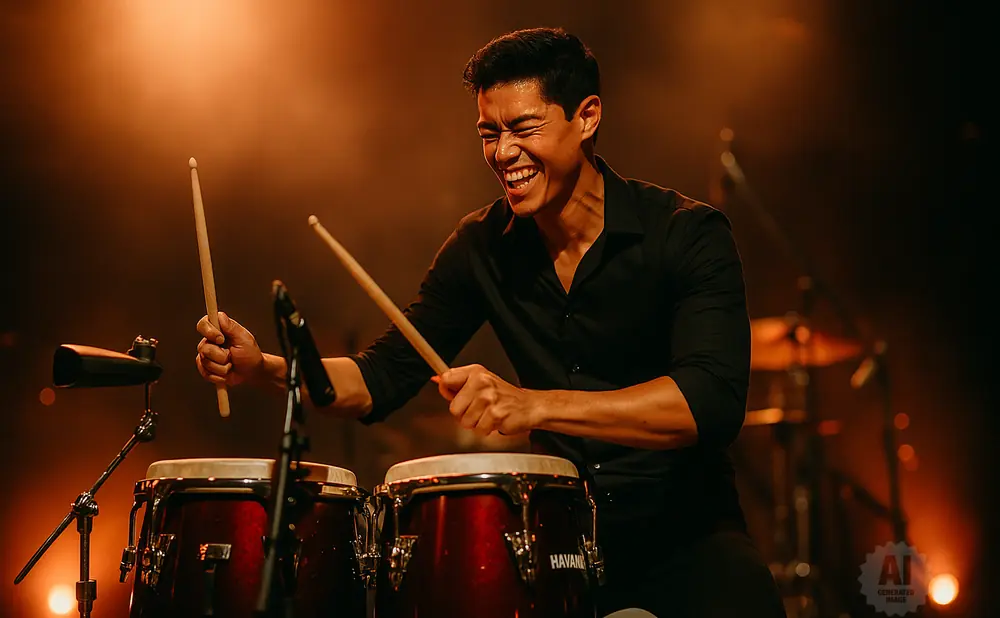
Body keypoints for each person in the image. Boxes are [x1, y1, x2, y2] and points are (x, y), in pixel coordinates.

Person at [195, 27, 785, 618]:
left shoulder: (686, 233)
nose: (503, 153)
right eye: (489, 132)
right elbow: (379, 378)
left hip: (688, 536)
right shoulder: (480, 247)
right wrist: (264, 368)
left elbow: (708, 403)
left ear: (586, 117)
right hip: (561, 546)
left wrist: (533, 405)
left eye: (524, 129)